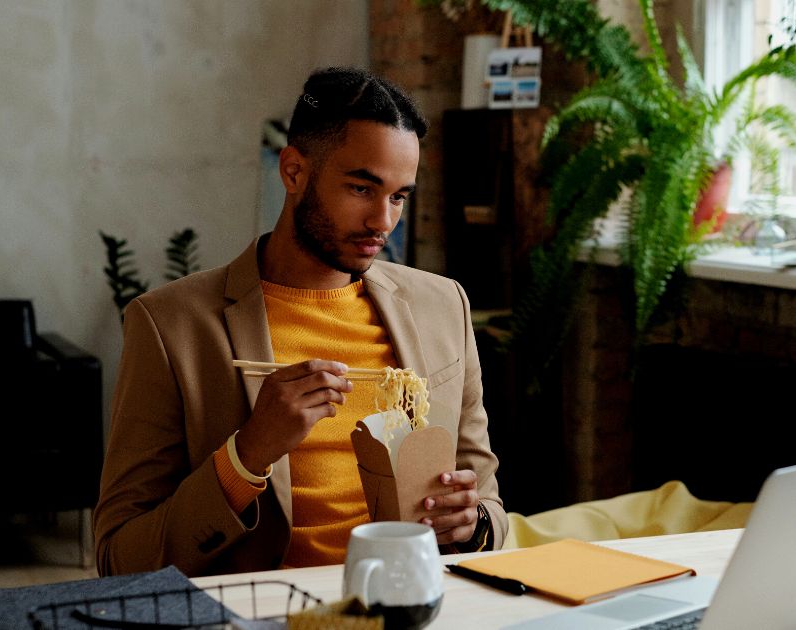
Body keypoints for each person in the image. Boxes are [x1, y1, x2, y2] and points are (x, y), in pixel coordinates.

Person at [94, 67, 506, 577]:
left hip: (414, 602)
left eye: (399, 196)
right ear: (293, 172)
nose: (383, 221)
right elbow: (119, 558)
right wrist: (247, 454)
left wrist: (473, 523)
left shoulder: (444, 306)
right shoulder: (169, 326)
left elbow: (488, 504)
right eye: (361, 188)